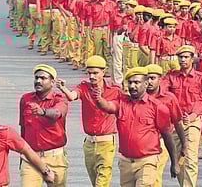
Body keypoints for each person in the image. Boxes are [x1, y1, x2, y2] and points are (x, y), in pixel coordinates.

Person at [93, 66, 178, 186]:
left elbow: (167, 135)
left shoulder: (158, 107)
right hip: (126, 162)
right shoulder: (122, 102)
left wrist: (174, 163)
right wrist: (98, 99)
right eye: (130, 82)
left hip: (147, 161)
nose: (132, 86)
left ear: (145, 83)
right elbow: (108, 106)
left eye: (137, 82)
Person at [60, 56, 120, 186]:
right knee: (94, 180)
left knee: (102, 181)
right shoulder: (84, 87)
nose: (92, 76)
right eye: (89, 73)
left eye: (95, 73)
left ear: (103, 72)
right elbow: (71, 96)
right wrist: (63, 88)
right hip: (89, 143)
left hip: (107, 142)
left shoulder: (114, 91)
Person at [160, 45, 202, 187]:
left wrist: (194, 115)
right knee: (178, 158)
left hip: (193, 121)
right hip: (175, 123)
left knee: (190, 157)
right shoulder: (171, 76)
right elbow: (162, 93)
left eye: (186, 57)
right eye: (180, 57)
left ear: (193, 59)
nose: (183, 60)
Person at [19, 64, 69, 187]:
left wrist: (43, 112)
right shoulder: (25, 99)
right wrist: (22, 153)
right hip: (31, 158)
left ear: (52, 82)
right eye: (36, 78)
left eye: (43, 78)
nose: (38, 81)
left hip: (55, 157)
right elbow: (23, 129)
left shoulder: (60, 99)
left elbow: (58, 113)